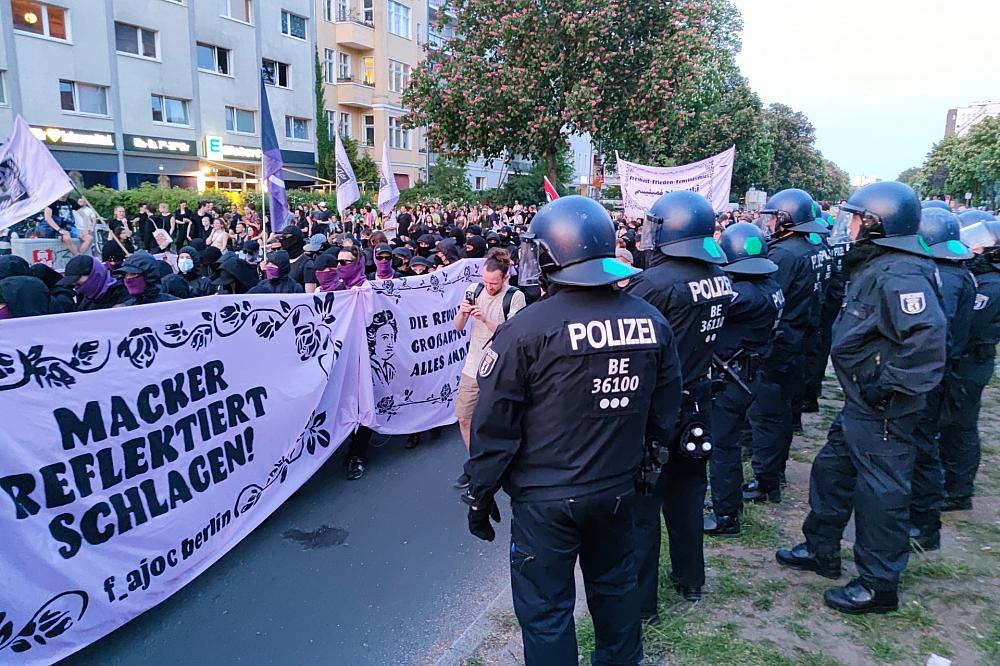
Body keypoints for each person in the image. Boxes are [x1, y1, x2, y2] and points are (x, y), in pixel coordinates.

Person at [466, 196, 681, 665]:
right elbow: (666, 409)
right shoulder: (650, 320)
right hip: (619, 490)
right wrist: (649, 464)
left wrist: (480, 493)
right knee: (617, 593)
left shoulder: (525, 329)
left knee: (546, 613)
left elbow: (494, 424)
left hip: (547, 502)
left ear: (548, 255)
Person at [776, 181, 946, 614]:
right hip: (862, 403)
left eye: (855, 218)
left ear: (876, 223)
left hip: (883, 408)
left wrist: (889, 386)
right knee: (832, 472)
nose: (848, 225)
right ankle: (821, 548)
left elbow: (926, 339)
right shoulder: (879, 264)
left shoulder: (901, 273)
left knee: (881, 493)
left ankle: (879, 583)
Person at [626, 190, 733, 608]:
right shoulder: (719, 277)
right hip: (699, 401)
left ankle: (642, 604)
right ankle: (691, 579)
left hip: (656, 409)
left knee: (644, 506)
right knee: (689, 494)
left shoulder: (654, 283)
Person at [742, 189, 828, 504]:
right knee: (784, 412)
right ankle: (774, 471)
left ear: (788, 219)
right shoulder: (812, 248)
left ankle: (765, 481)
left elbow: (770, 297)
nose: (769, 223)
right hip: (804, 340)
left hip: (781, 343)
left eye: (774, 217)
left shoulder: (784, 254)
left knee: (766, 414)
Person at [704, 223, 784, 538]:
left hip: (734, 378)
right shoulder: (770, 285)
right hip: (752, 372)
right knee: (731, 441)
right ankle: (730, 503)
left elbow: (710, 301)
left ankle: (726, 516)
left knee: (723, 446)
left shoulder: (743, 295)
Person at [937, 211, 1000, 511]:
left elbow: (968, 323)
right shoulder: (983, 278)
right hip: (967, 360)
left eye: (978, 246)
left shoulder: (991, 285)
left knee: (959, 426)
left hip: (971, 361)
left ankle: (958, 491)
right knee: (951, 424)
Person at [453, 248, 525, 489]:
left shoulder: (515, 297)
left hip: (499, 366)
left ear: (505, 278)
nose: (488, 287)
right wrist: (463, 313)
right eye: (485, 281)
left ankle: (500, 464)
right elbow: (457, 327)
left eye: (493, 283)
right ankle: (476, 464)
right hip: (473, 365)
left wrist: (484, 318)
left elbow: (511, 336)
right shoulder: (474, 291)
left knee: (496, 421)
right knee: (464, 417)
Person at [57, 254, 128, 311]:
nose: (76, 287)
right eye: (73, 284)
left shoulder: (124, 292)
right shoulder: (86, 299)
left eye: (77, 281)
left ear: (94, 274)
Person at [117, 252, 181, 306]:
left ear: (149, 275)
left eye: (133, 274)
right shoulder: (124, 309)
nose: (128, 279)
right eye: (125, 275)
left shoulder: (173, 305)